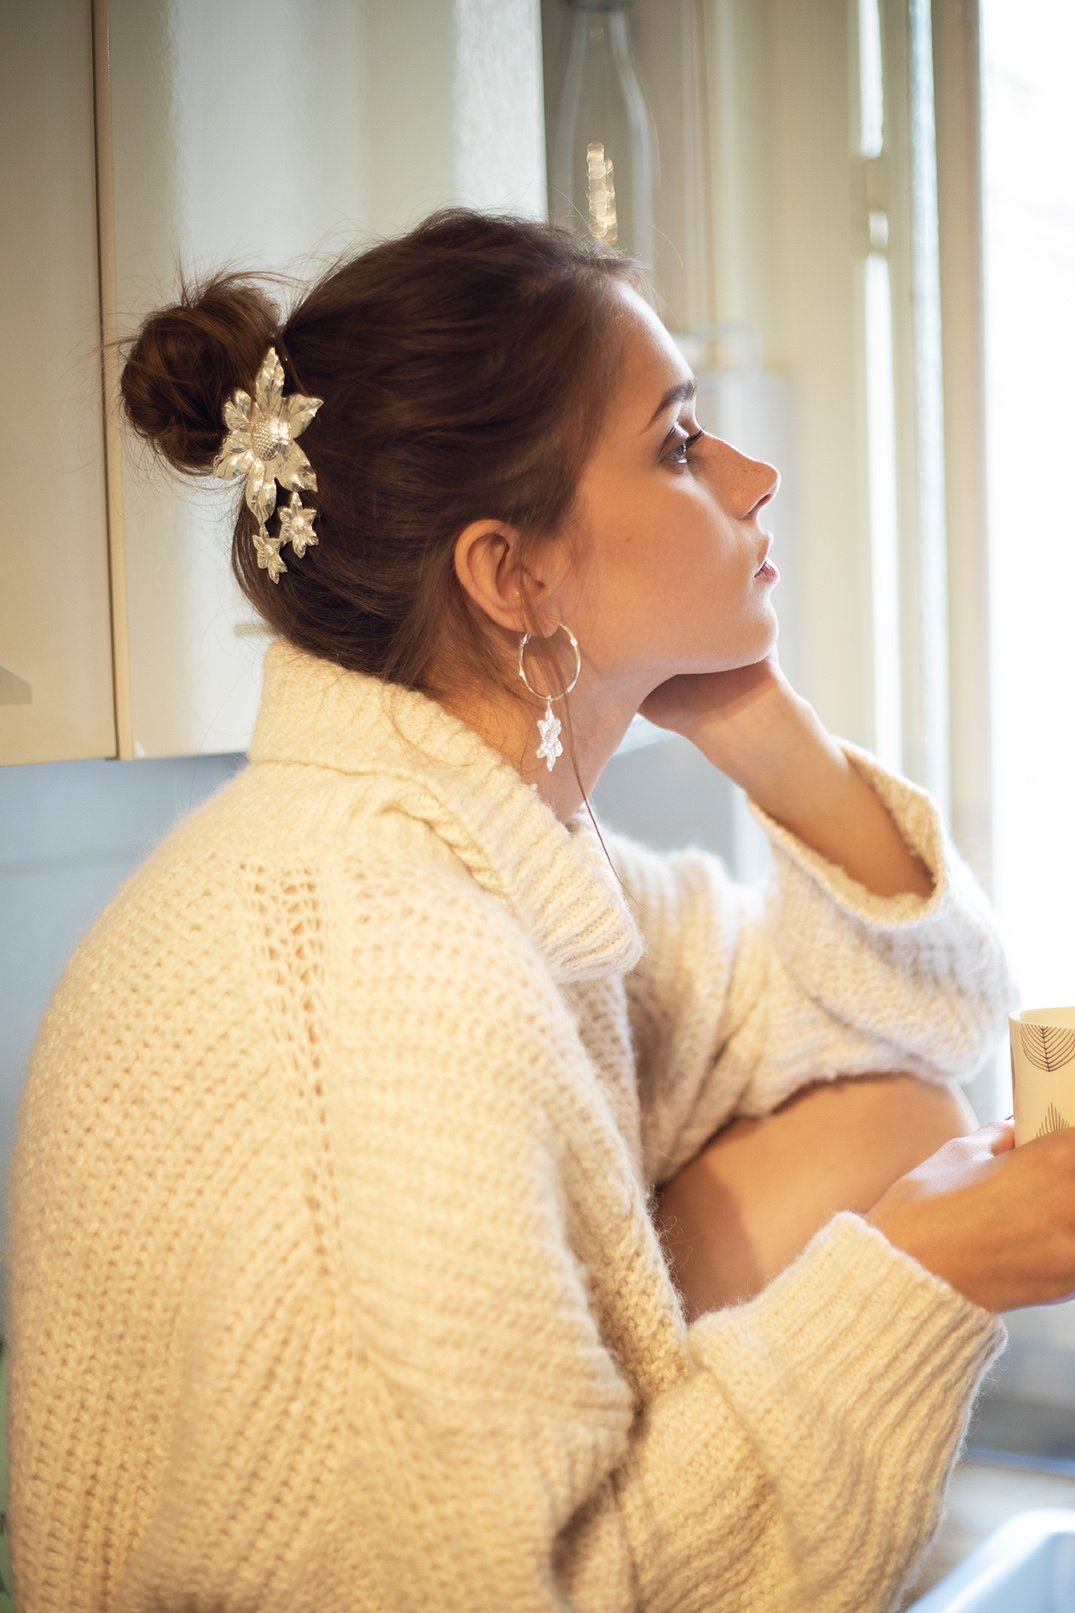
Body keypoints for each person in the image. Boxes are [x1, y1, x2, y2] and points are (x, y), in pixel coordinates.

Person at [5, 205, 1067, 1613]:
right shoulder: (391, 978)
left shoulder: (487, 856)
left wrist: (765, 733)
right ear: (515, 575)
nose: (755, 477)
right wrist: (935, 1268)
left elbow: (922, 1024)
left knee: (895, 1117)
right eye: (680, 445)